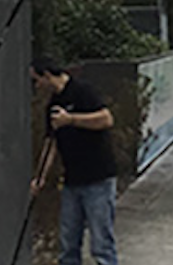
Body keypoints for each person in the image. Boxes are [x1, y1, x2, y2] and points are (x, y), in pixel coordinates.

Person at [29, 55, 119, 265]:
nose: (37, 86)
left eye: (37, 80)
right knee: (68, 241)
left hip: (98, 177)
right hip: (71, 180)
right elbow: (51, 142)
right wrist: (40, 177)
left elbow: (106, 119)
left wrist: (71, 120)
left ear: (48, 75)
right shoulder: (53, 104)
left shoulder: (82, 91)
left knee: (100, 242)